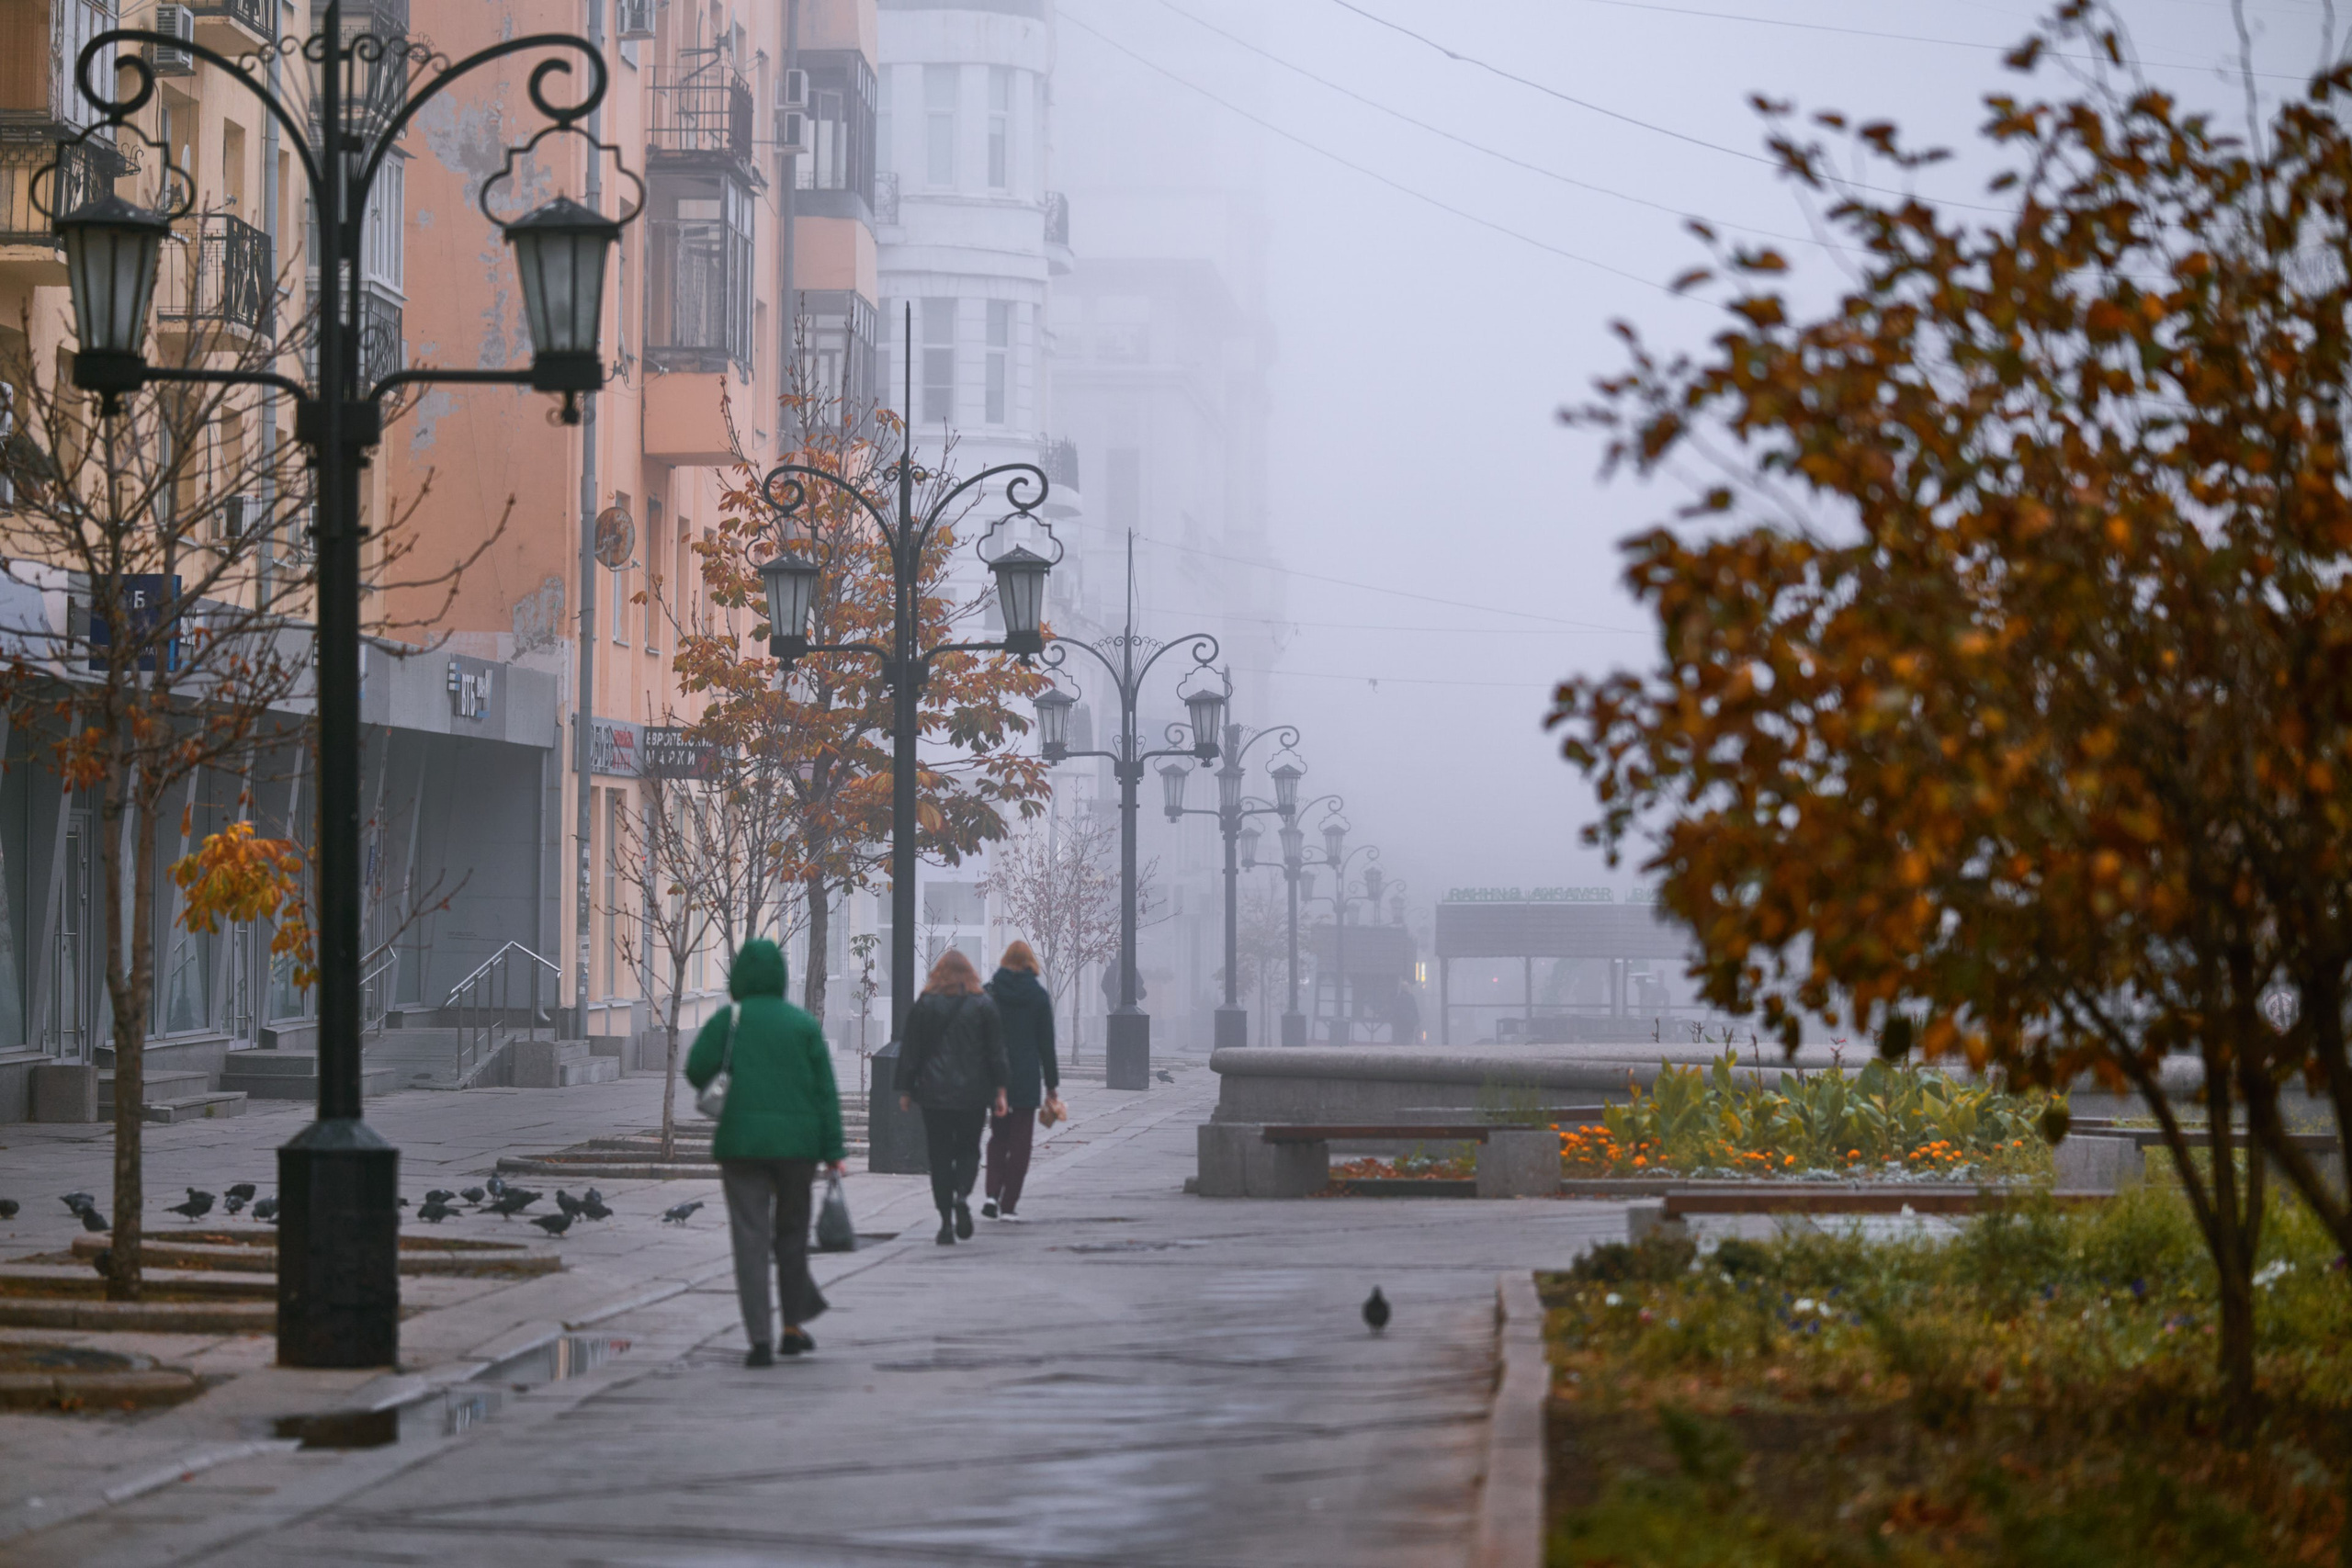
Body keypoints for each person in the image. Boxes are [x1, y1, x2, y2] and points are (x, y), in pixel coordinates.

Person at [684, 938, 845, 1369]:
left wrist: (733, 1076)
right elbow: (825, 1093)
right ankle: (792, 1330)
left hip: (741, 1147)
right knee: (791, 1237)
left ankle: (758, 1339)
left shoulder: (728, 1021)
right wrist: (834, 1151)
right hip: (798, 1149)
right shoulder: (802, 1025)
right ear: (779, 977)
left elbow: (696, 1068)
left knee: (750, 1240)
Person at [896, 949, 1008, 1245]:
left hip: (935, 1095)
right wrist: (1000, 1091)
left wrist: (906, 1089)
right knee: (970, 1149)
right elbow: (996, 1053)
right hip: (973, 1093)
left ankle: (945, 1220)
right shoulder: (984, 1005)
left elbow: (911, 1050)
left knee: (940, 1155)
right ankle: (962, 1195)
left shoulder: (925, 1005)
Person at [982, 941, 1063, 1222]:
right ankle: (1008, 1204)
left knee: (998, 1137)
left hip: (996, 1078)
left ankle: (991, 1194)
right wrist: (1051, 1084)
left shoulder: (990, 992)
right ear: (1030, 964)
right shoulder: (1038, 997)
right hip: (1027, 1076)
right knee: (1021, 1143)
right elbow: (1046, 1045)